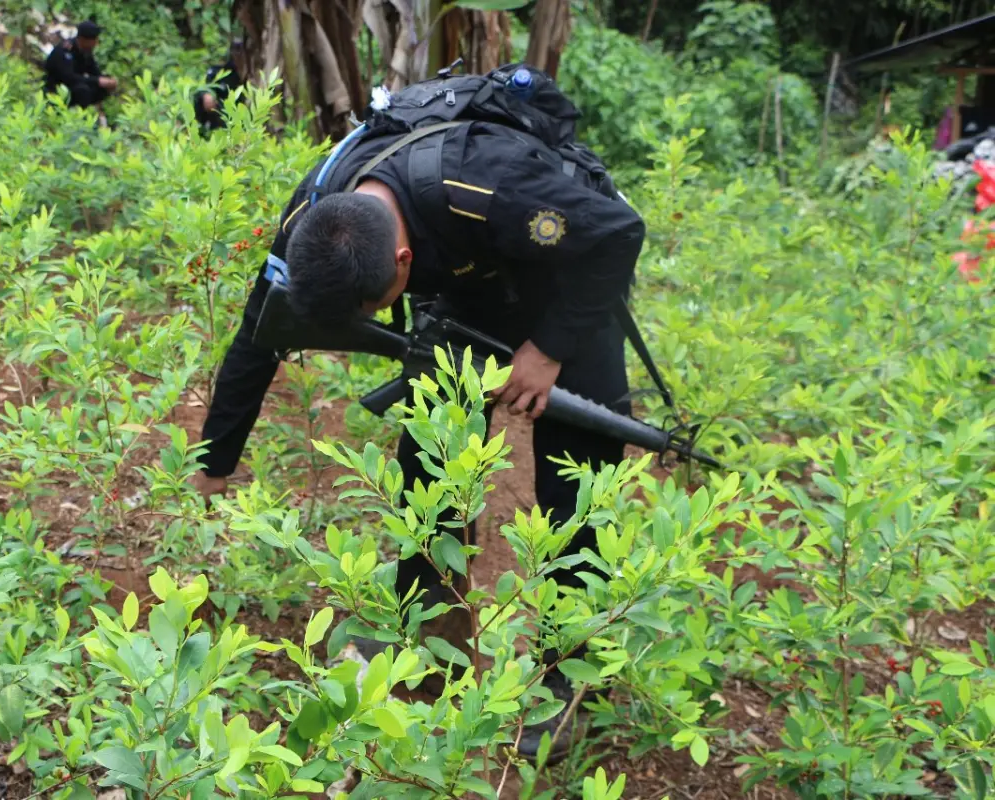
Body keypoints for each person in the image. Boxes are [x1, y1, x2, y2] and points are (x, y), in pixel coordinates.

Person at [195, 119, 645, 759]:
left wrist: (545, 352)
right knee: (429, 472)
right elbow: (256, 335)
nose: (375, 322)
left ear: (402, 260)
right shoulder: (314, 215)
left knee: (577, 494)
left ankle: (567, 684)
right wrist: (214, 462)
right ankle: (428, 643)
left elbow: (618, 235)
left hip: (568, 285)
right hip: (464, 293)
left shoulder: (490, 185)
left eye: (376, 307)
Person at [43, 20, 118, 112]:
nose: (96, 42)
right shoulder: (65, 51)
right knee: (83, 90)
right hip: (58, 88)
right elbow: (69, 77)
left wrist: (106, 80)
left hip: (76, 84)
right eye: (93, 39)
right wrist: (97, 80)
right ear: (83, 39)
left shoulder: (86, 51)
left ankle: (96, 112)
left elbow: (94, 70)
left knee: (100, 88)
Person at [195, 42, 244, 133]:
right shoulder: (222, 71)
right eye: (236, 52)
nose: (238, 55)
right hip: (223, 114)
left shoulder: (252, 73)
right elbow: (206, 86)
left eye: (240, 52)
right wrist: (207, 94)